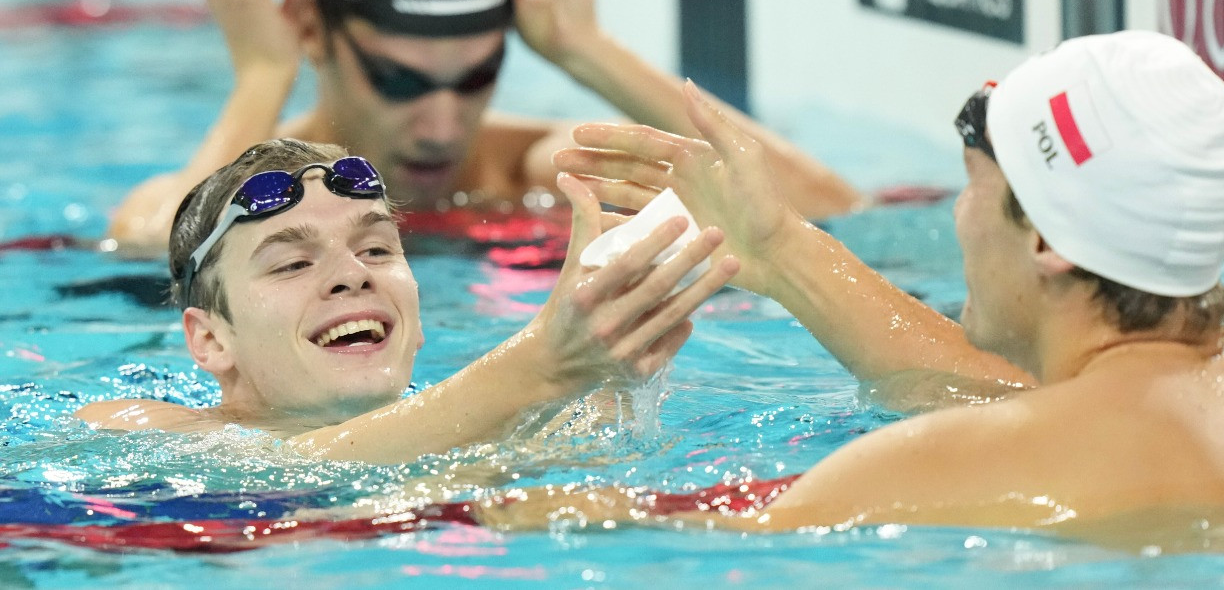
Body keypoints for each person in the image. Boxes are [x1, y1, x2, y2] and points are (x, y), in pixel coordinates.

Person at [518, 30, 1224, 529]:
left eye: (973, 188)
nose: (960, 217)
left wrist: (537, 498)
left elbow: (688, 549)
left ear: (1045, 239)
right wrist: (782, 247)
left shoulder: (924, 466)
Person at [107, 0, 861, 249]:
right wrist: (261, 80)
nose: (442, 124)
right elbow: (160, 250)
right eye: (399, 80)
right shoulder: (240, 193)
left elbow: (830, 213)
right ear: (315, 32)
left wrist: (587, 51)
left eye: (475, 78)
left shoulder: (538, 174)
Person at [77, 139, 739, 464]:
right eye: (294, 261)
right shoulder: (129, 428)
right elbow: (288, 469)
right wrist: (545, 363)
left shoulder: (504, 433)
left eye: (377, 250)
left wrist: (612, 375)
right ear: (209, 339)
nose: (351, 276)